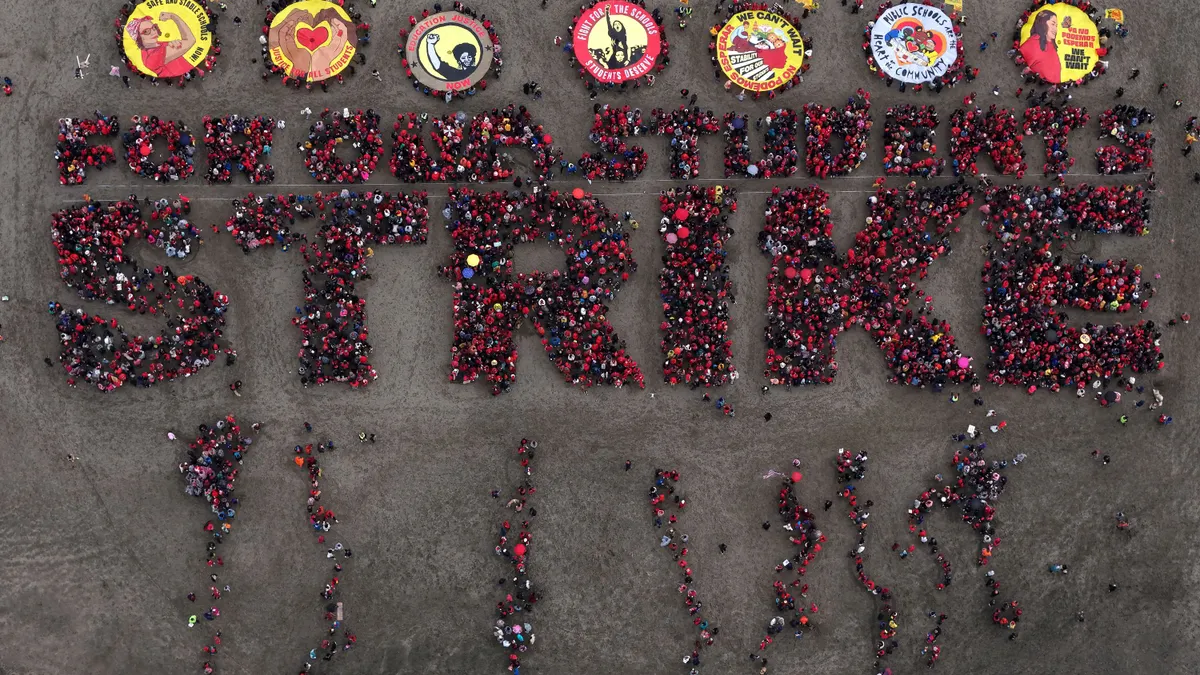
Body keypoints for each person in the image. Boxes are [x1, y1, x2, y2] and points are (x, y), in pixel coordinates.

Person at [127, 12, 197, 78]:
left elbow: (186, 41)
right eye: (146, 31)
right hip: (181, 72)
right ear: (138, 37)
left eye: (154, 27)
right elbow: (190, 40)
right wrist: (173, 16)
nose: (153, 32)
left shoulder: (155, 44)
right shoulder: (152, 56)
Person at [1019, 10, 1062, 83]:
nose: (1055, 29)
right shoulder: (1034, 42)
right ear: (1043, 23)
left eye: (1056, 26)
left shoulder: (1052, 47)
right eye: (1053, 24)